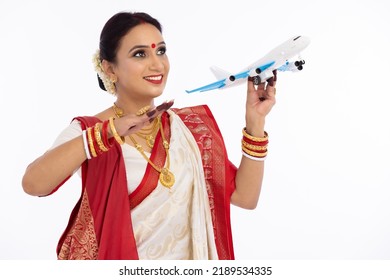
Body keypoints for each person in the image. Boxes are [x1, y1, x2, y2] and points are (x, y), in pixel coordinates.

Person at [22, 11, 277, 260]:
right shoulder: (90, 130)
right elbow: (33, 184)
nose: (157, 64)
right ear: (110, 69)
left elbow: (245, 197)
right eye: (140, 54)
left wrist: (255, 122)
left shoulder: (188, 128)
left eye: (161, 51)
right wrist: (108, 133)